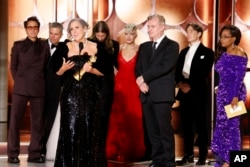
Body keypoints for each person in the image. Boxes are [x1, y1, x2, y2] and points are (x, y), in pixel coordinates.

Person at [50, 18, 113, 167]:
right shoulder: (64, 47)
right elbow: (56, 72)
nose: (74, 31)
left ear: (86, 28)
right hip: (70, 96)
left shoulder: (96, 47)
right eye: (71, 29)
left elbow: (106, 72)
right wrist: (64, 69)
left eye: (77, 28)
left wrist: (91, 69)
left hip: (91, 96)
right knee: (70, 130)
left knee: (90, 130)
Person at [135, 14, 179, 167]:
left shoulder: (172, 46)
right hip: (146, 94)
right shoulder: (144, 47)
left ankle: (168, 161)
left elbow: (164, 67)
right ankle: (157, 160)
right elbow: (138, 68)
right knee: (152, 131)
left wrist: (143, 78)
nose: (149, 29)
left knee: (164, 130)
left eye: (152, 26)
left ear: (162, 27)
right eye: (148, 26)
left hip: (162, 94)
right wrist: (141, 83)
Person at [8, 16, 50, 163]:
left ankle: (35, 154)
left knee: (38, 124)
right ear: (26, 29)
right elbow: (13, 66)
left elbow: (46, 67)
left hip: (38, 88)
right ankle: (13, 154)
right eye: (30, 27)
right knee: (15, 122)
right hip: (21, 87)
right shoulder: (18, 45)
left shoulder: (45, 45)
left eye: (35, 27)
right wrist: (19, 81)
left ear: (38, 29)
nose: (33, 29)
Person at [175, 23, 214, 166]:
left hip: (197, 93)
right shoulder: (183, 52)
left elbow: (203, 72)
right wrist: (180, 84)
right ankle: (188, 154)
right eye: (187, 31)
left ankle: (203, 155)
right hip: (184, 93)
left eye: (191, 31)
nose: (188, 33)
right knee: (186, 125)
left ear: (199, 33)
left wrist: (189, 85)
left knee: (201, 125)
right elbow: (177, 71)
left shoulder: (208, 52)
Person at [106, 23, 145, 162]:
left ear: (135, 35)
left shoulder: (141, 49)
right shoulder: (118, 49)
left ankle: (132, 150)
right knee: (118, 118)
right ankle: (116, 149)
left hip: (134, 87)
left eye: (131, 34)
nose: (129, 37)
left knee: (133, 117)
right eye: (126, 34)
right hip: (119, 87)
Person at [211, 25, 248, 167]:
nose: (221, 39)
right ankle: (222, 158)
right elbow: (225, 76)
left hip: (235, 95)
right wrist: (219, 88)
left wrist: (234, 97)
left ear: (234, 38)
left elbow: (239, 78)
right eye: (221, 36)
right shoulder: (224, 53)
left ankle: (232, 160)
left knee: (232, 127)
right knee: (221, 126)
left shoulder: (239, 53)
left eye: (225, 36)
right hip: (222, 95)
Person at [88, 20, 119, 140]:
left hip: (106, 82)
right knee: (91, 113)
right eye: (98, 35)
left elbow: (115, 64)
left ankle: (102, 142)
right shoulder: (89, 43)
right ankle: (92, 142)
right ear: (94, 33)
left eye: (103, 35)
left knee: (104, 113)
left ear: (107, 34)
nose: (100, 38)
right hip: (92, 81)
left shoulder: (113, 45)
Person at [40, 22, 64, 160]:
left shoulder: (64, 47)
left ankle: (44, 150)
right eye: (51, 33)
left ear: (61, 35)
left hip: (55, 88)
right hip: (39, 87)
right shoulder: (40, 45)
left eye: (56, 34)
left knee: (50, 118)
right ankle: (37, 148)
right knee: (39, 120)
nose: (53, 36)